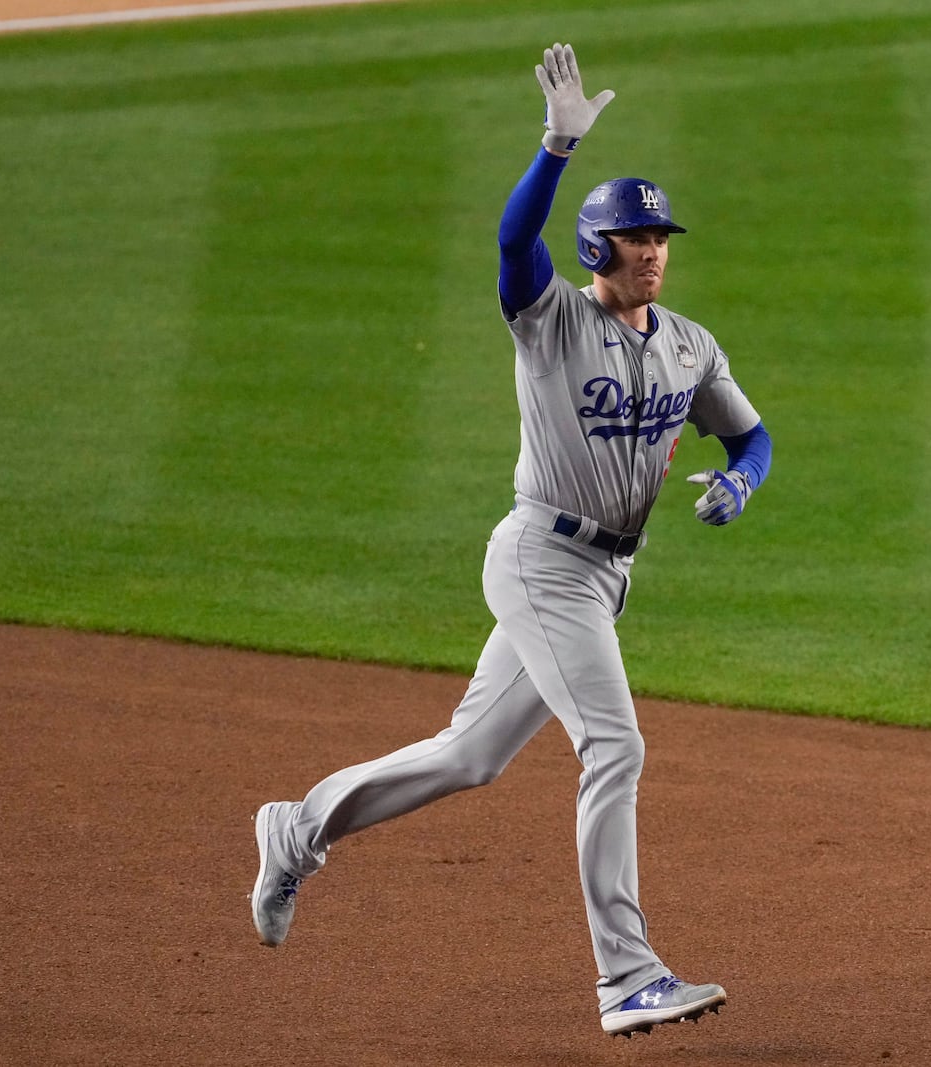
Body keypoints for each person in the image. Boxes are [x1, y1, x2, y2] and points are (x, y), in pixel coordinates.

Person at [249, 42, 773, 1039]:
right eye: (632, 237)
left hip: (607, 575)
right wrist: (556, 151)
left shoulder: (689, 342)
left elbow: (751, 433)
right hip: (542, 559)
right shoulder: (547, 320)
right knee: (614, 744)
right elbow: (508, 240)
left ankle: (300, 824)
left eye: (659, 235)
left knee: (470, 754)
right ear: (593, 251)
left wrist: (740, 482)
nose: (652, 250)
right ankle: (627, 976)